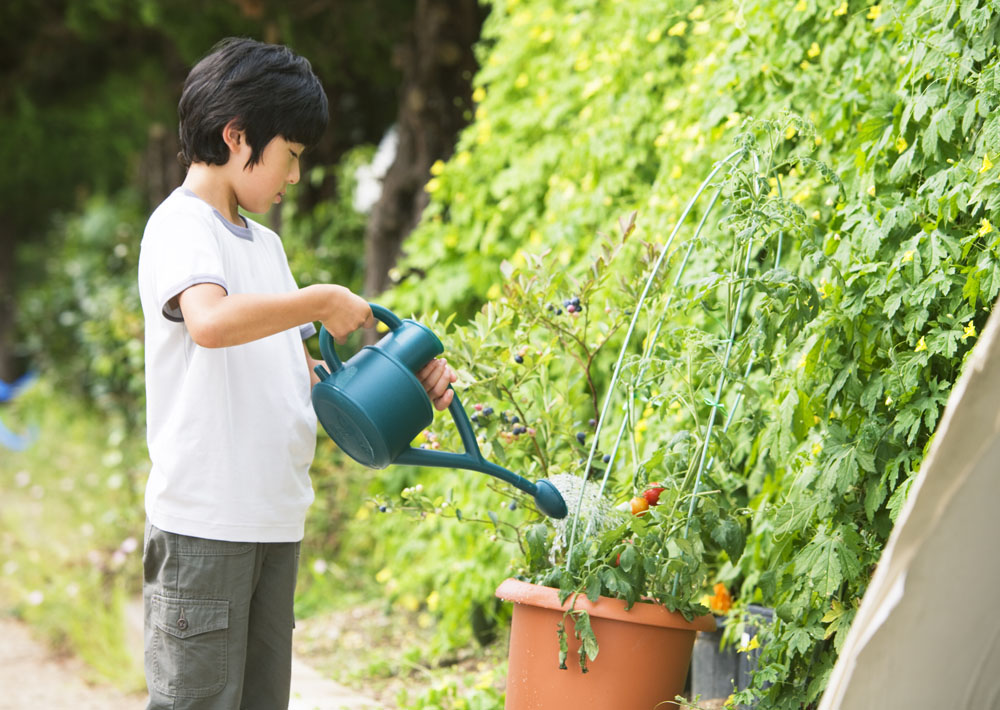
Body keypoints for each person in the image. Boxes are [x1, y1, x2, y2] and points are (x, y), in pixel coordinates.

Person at [137, 37, 455, 710]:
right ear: (237, 135)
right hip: (205, 526)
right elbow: (211, 322)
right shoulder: (180, 226)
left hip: (271, 522)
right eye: (292, 155)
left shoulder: (268, 247)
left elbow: (303, 376)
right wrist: (319, 299)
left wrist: (402, 384)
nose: (294, 177)